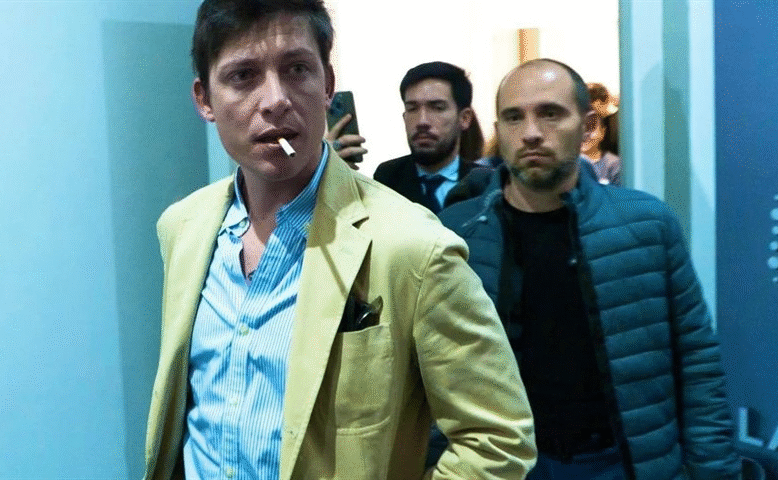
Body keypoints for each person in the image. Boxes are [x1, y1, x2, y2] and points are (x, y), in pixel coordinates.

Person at [141, 1, 536, 479]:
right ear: (205, 99)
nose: (275, 100)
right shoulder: (184, 227)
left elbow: (498, 440)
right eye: (243, 76)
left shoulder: (413, 245)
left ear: (327, 84)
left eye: (297, 69)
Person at [438, 58, 741, 480]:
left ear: (587, 126)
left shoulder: (646, 224)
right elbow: (435, 374)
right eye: (514, 117)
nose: (530, 132)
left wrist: (716, 472)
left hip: (619, 463)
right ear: (498, 129)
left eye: (550, 113)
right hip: (506, 464)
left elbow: (696, 362)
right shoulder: (456, 234)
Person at [373, 61, 484, 213]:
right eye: (412, 108)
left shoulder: (486, 184)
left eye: (437, 108)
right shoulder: (387, 179)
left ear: (464, 118)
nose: (422, 121)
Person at [580, 113, 621, 185]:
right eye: (580, 129)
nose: (585, 135)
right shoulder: (569, 162)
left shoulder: (613, 164)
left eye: (591, 128)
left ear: (602, 132)